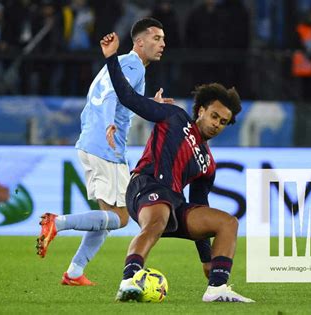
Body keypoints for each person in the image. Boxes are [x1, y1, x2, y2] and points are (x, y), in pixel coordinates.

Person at [100, 32, 254, 303]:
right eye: (214, 115)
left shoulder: (207, 163)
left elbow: (199, 203)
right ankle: (128, 280)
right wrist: (112, 58)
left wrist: (207, 259)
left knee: (227, 223)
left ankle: (217, 288)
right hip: (146, 185)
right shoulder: (174, 116)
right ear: (201, 110)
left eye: (223, 121)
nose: (217, 123)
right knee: (157, 220)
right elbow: (128, 98)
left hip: (173, 201)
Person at [36, 18, 173, 286]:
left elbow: (114, 97)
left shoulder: (120, 63)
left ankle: (74, 273)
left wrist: (149, 104)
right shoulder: (133, 65)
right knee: (121, 218)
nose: (162, 44)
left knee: (109, 217)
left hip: (93, 141)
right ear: (140, 41)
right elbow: (111, 96)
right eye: (156, 38)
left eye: (163, 39)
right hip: (105, 145)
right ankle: (57, 223)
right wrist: (110, 123)